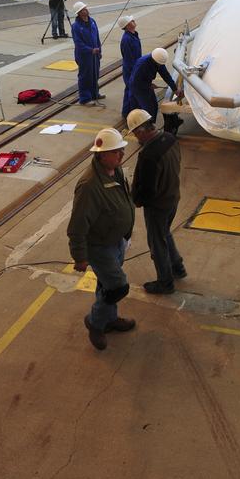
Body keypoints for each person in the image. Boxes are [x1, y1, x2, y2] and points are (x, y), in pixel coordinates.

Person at [67, 126, 136, 351]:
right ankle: (96, 323)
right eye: (116, 151)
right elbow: (77, 225)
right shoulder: (89, 186)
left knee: (106, 284)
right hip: (100, 246)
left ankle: (109, 319)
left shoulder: (115, 171)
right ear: (101, 154)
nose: (121, 155)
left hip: (117, 241)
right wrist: (79, 257)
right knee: (117, 287)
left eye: (121, 151)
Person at [127, 108, 186, 295]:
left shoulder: (148, 155)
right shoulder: (170, 138)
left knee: (156, 242)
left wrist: (135, 200)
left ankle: (165, 282)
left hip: (158, 206)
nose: (136, 137)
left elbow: (146, 190)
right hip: (173, 198)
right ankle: (178, 267)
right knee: (165, 234)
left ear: (141, 130)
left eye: (135, 133)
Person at [128, 46, 178, 122]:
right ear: (155, 61)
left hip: (146, 84)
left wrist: (175, 88)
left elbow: (165, 75)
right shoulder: (142, 65)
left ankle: (151, 123)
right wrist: (148, 85)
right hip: (138, 87)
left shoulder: (158, 61)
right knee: (148, 108)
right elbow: (136, 81)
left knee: (154, 105)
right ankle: (147, 125)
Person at [71, 1, 105, 106]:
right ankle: (85, 98)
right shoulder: (76, 26)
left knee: (95, 74)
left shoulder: (92, 22)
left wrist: (99, 50)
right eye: (84, 9)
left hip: (95, 54)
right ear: (79, 13)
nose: (87, 10)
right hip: (84, 56)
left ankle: (94, 93)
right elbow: (78, 43)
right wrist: (90, 50)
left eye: (86, 8)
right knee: (85, 76)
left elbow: (97, 37)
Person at [118, 16, 142, 118]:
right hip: (131, 69)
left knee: (130, 89)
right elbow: (129, 57)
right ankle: (129, 113)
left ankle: (127, 112)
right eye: (131, 21)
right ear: (127, 26)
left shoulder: (134, 35)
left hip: (135, 66)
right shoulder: (127, 39)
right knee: (131, 90)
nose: (134, 21)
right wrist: (135, 70)